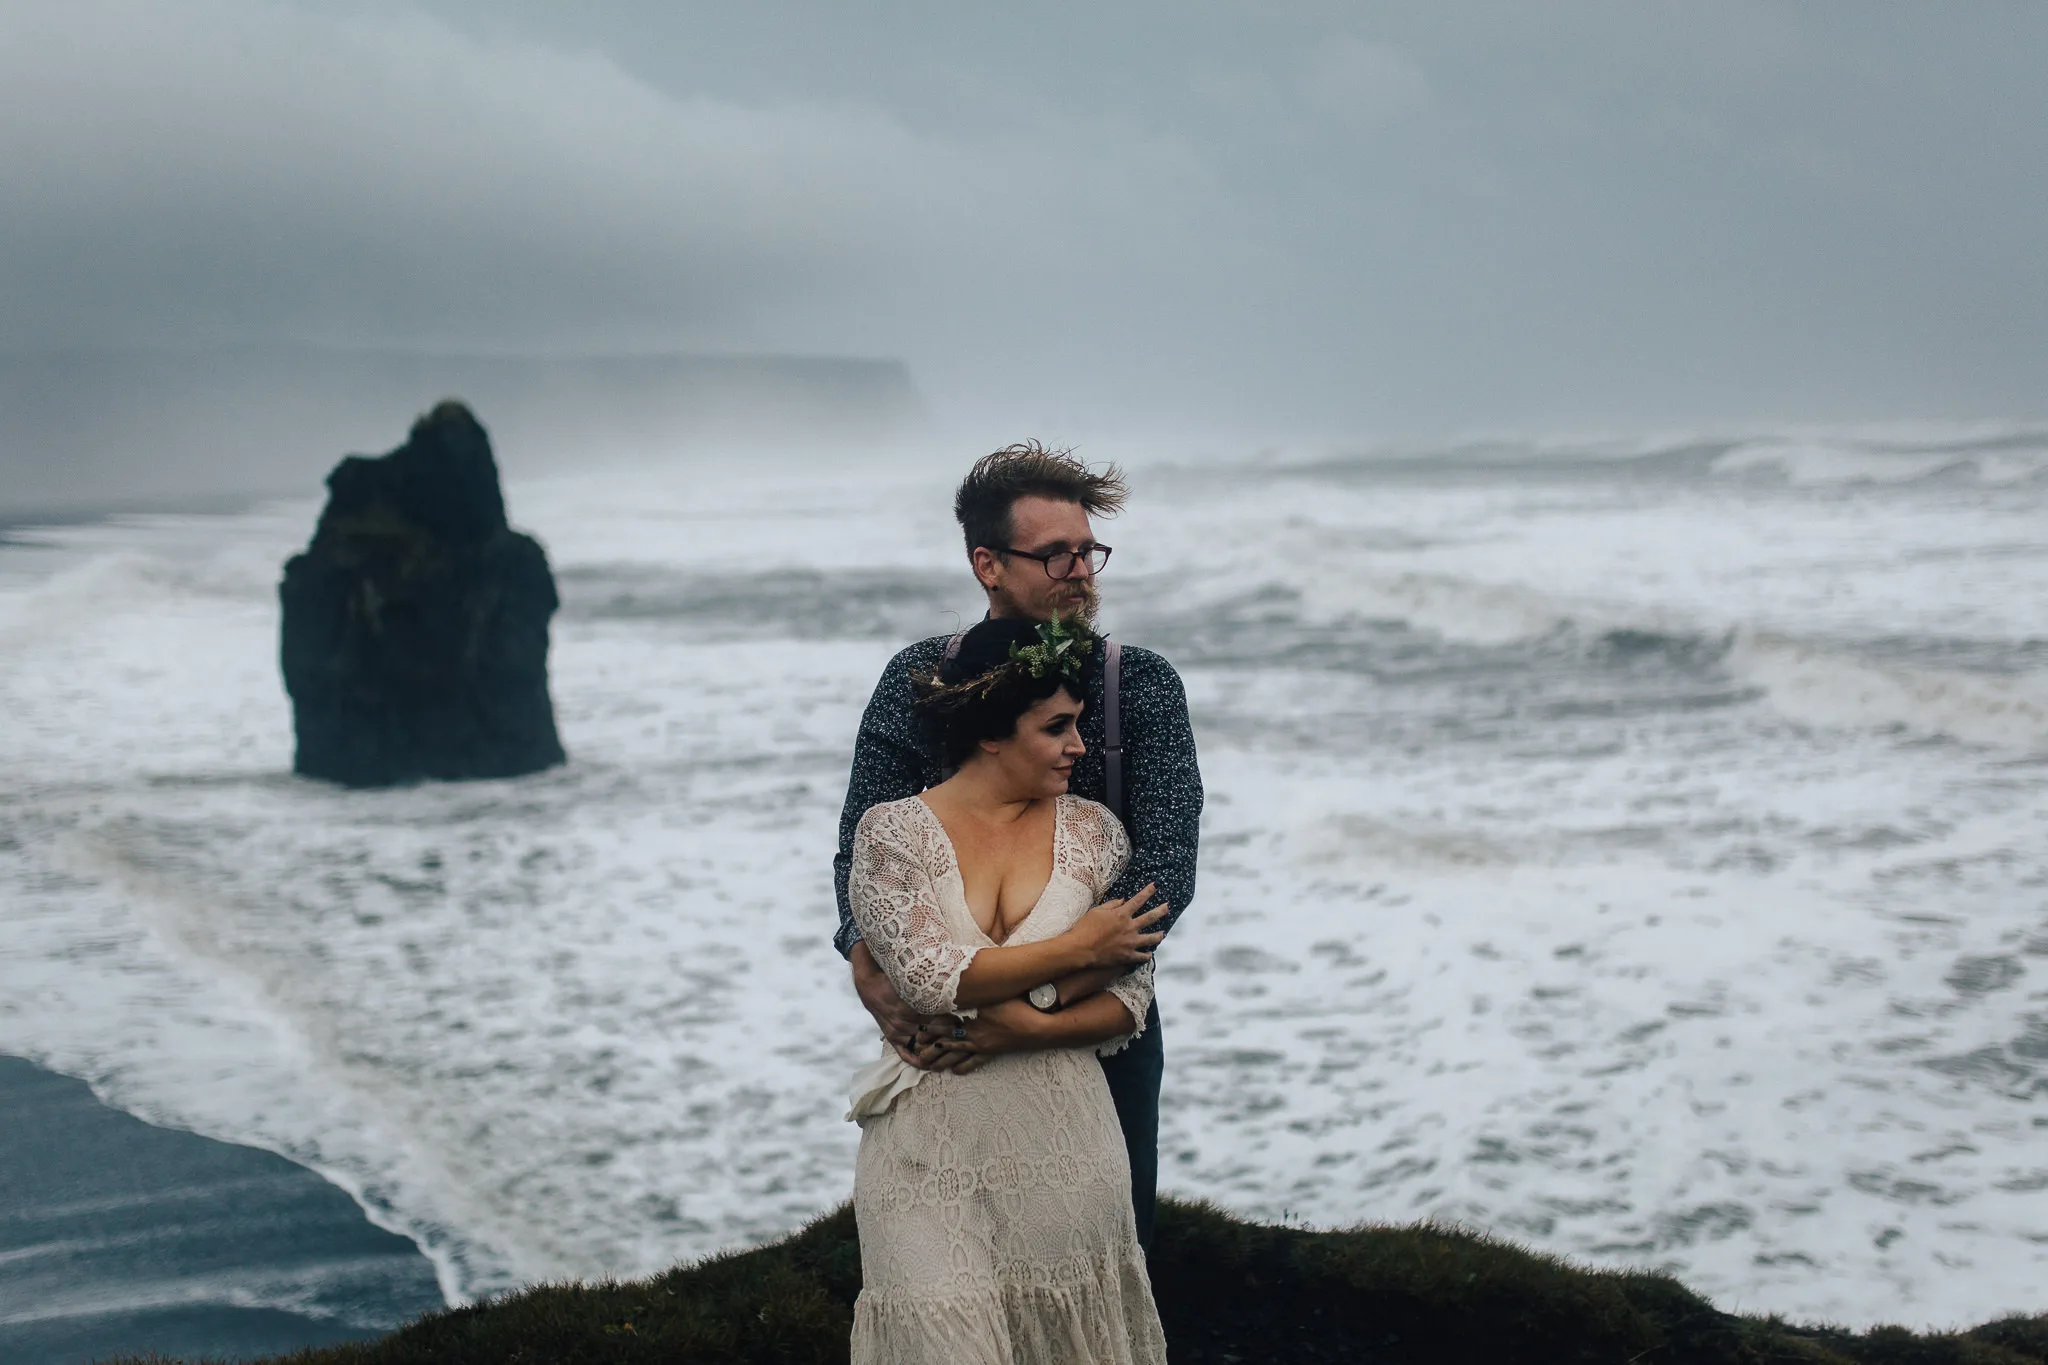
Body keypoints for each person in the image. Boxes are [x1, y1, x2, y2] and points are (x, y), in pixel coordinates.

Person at [833, 442, 1203, 1249]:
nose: (1080, 571)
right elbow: (859, 851)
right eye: (1055, 553)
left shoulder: (1139, 684)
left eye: (1088, 550)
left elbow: (1164, 873)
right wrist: (874, 976)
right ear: (987, 564)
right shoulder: (916, 681)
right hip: (941, 1034)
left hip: (1094, 1031)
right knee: (953, 1257)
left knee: (1104, 1254)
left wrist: (1033, 1015)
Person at [843, 615, 1169, 1364]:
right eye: (1057, 727)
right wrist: (1078, 947)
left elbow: (1129, 998)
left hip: (1066, 1148)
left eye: (1080, 724)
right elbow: (926, 977)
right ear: (992, 731)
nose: (1080, 747)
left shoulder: (1096, 834)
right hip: (925, 1147)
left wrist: (1022, 1028)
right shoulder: (890, 833)